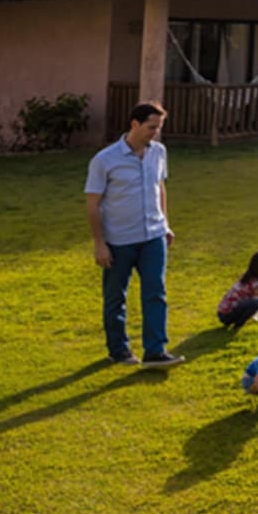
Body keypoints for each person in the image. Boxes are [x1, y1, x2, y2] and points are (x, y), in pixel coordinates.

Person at [84, 101, 182, 367]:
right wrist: (99, 243)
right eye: (151, 127)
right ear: (135, 124)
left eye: (159, 128)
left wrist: (166, 224)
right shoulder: (105, 160)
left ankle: (155, 352)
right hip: (118, 241)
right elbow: (93, 203)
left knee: (156, 293)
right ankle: (119, 351)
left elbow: (159, 188)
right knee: (116, 296)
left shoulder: (158, 152)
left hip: (153, 236)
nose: (155, 133)